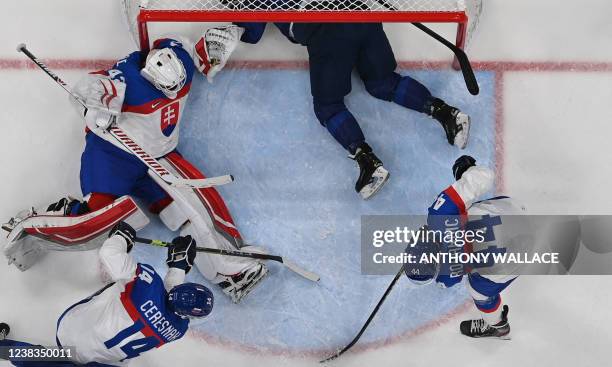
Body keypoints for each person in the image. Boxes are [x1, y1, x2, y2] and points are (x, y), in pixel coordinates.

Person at [2, 27, 267, 303]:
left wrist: (211, 46)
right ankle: (37, 226)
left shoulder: (180, 64)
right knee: (97, 222)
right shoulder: (125, 80)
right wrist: (93, 106)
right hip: (111, 158)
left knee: (193, 208)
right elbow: (91, 88)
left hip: (157, 155)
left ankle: (230, 269)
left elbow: (180, 44)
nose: (173, 93)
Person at [233, 19, 470, 199]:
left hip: (327, 38)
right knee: (382, 82)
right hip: (362, 17)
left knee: (328, 107)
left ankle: (367, 162)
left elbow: (251, 33)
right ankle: (447, 114)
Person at [0, 222, 213, 366]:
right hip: (99, 361)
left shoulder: (147, 282)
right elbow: (167, 307)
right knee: (41, 360)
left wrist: (121, 237)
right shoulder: (178, 330)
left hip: (71, 332)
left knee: (41, 359)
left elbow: (109, 254)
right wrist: (178, 267)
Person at [404, 156, 528, 339]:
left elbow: (447, 280)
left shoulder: (448, 275)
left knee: (477, 289)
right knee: (469, 213)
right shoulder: (439, 213)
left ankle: (499, 326)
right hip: (516, 213)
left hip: (518, 256)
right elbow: (484, 176)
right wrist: (466, 172)